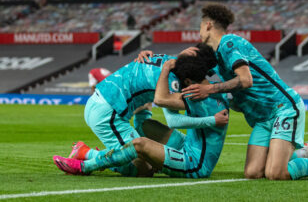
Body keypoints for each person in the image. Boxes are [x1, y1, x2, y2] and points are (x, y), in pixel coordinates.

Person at [134, 3, 308, 180]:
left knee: (276, 173)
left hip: (283, 108)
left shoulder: (229, 44)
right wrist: (152, 58)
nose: (199, 32)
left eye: (200, 26)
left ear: (208, 25)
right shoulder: (215, 55)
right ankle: (303, 153)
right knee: (253, 173)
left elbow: (245, 80)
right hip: (262, 119)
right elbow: (188, 66)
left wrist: (209, 88)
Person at [53, 46, 229, 178]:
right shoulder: (180, 83)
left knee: (144, 127)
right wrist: (212, 120)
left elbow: (161, 105)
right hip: (108, 111)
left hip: (104, 101)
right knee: (142, 169)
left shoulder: (168, 61)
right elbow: (170, 115)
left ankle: (89, 154)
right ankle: (86, 154)